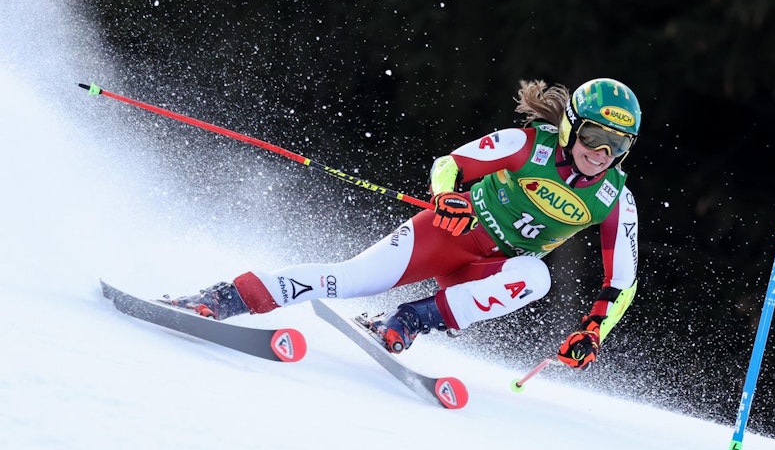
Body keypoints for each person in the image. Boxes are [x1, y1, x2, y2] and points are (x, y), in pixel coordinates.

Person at [168, 78, 640, 370]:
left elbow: (622, 282)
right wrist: (447, 198)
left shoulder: (614, 197)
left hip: (490, 269)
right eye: (594, 135)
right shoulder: (524, 144)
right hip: (449, 235)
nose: (601, 152)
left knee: (536, 277)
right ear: (570, 126)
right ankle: (230, 296)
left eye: (617, 145)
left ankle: (410, 318)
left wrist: (593, 331)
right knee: (352, 279)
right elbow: (449, 164)